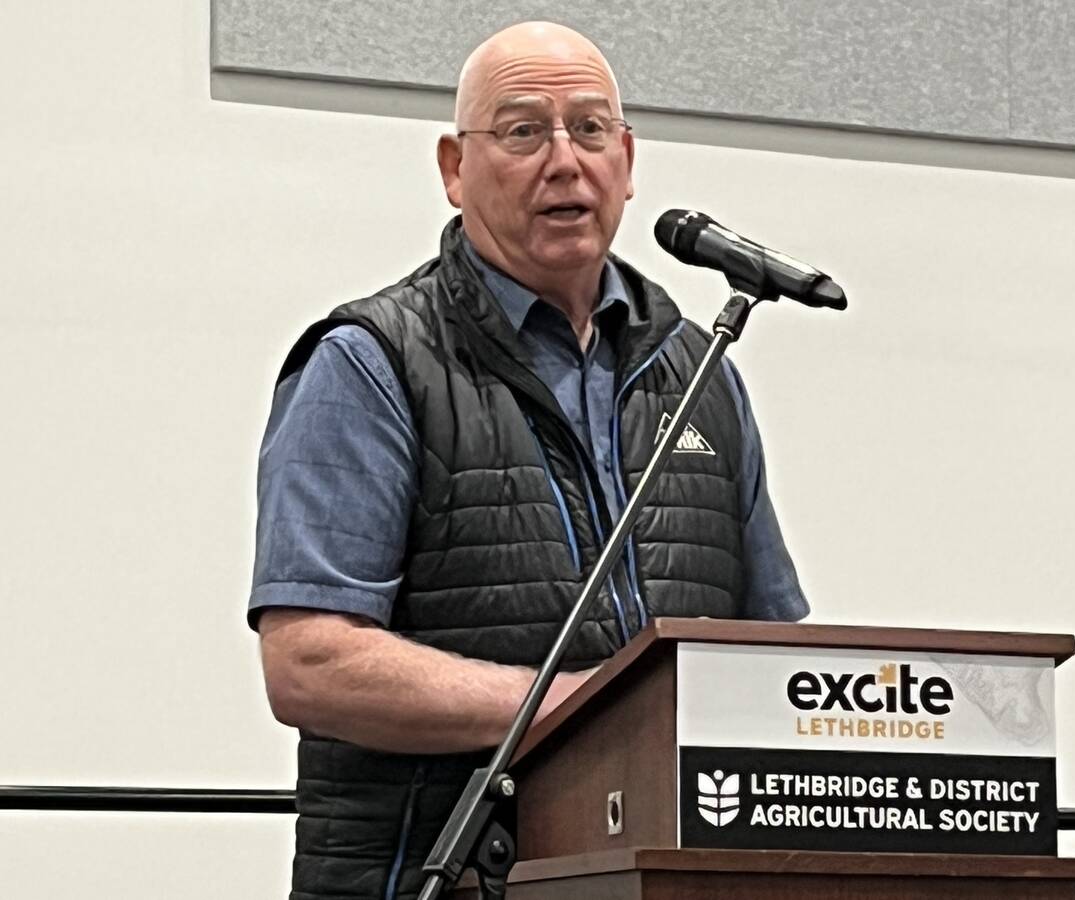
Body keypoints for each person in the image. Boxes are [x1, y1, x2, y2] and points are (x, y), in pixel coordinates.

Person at [249, 21, 809, 900]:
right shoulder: (371, 361)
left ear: (627, 159)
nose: (564, 161)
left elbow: (770, 654)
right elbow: (311, 665)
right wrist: (582, 709)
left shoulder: (701, 371)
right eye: (522, 131)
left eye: (589, 129)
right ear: (454, 168)